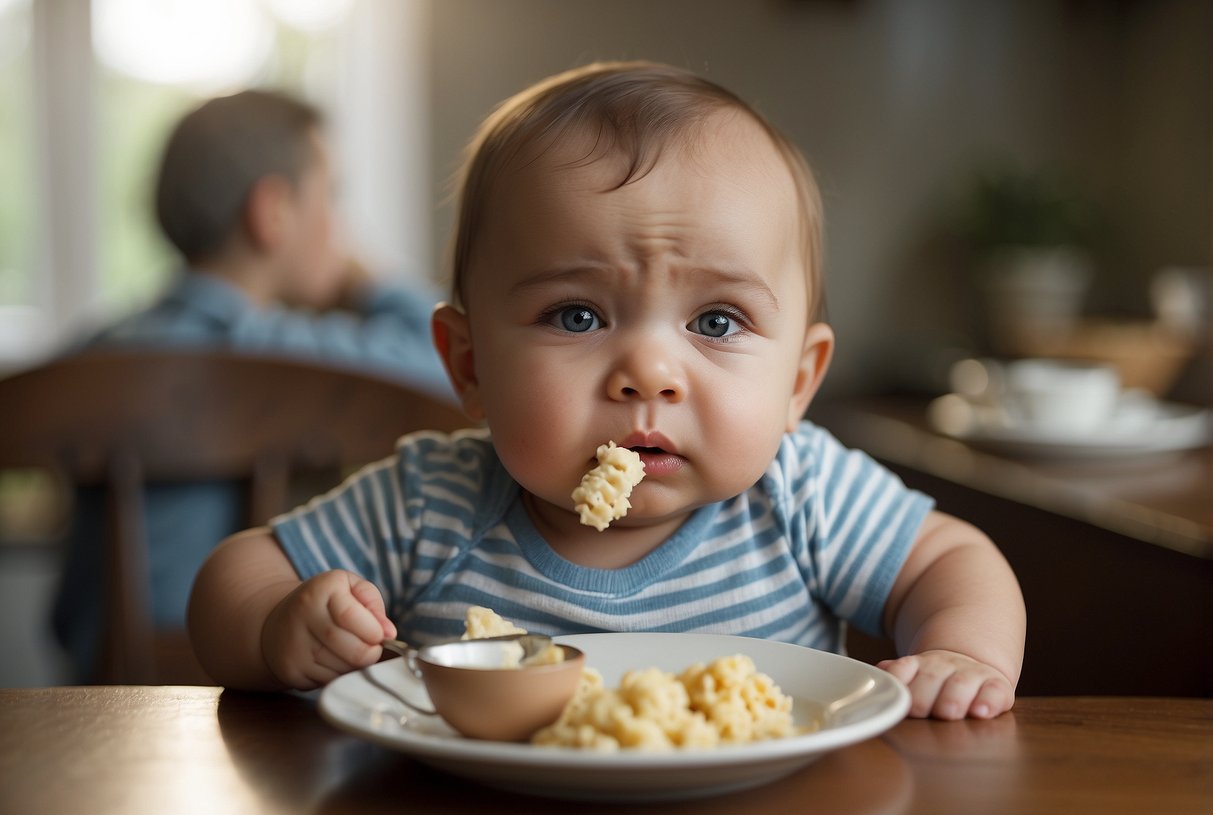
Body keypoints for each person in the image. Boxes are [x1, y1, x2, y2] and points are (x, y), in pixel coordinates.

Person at [189, 62, 1026, 720]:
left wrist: (960, 655)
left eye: (718, 322)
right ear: (470, 366)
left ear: (797, 384)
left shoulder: (800, 493)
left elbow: (951, 560)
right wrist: (277, 627)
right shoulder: (430, 504)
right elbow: (235, 574)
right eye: (578, 315)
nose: (649, 374)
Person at [52, 89, 452, 680]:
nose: (338, 228)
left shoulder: (97, 350)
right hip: (239, 671)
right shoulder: (283, 353)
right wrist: (363, 276)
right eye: (331, 197)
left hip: (90, 675)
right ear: (272, 212)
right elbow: (448, 356)